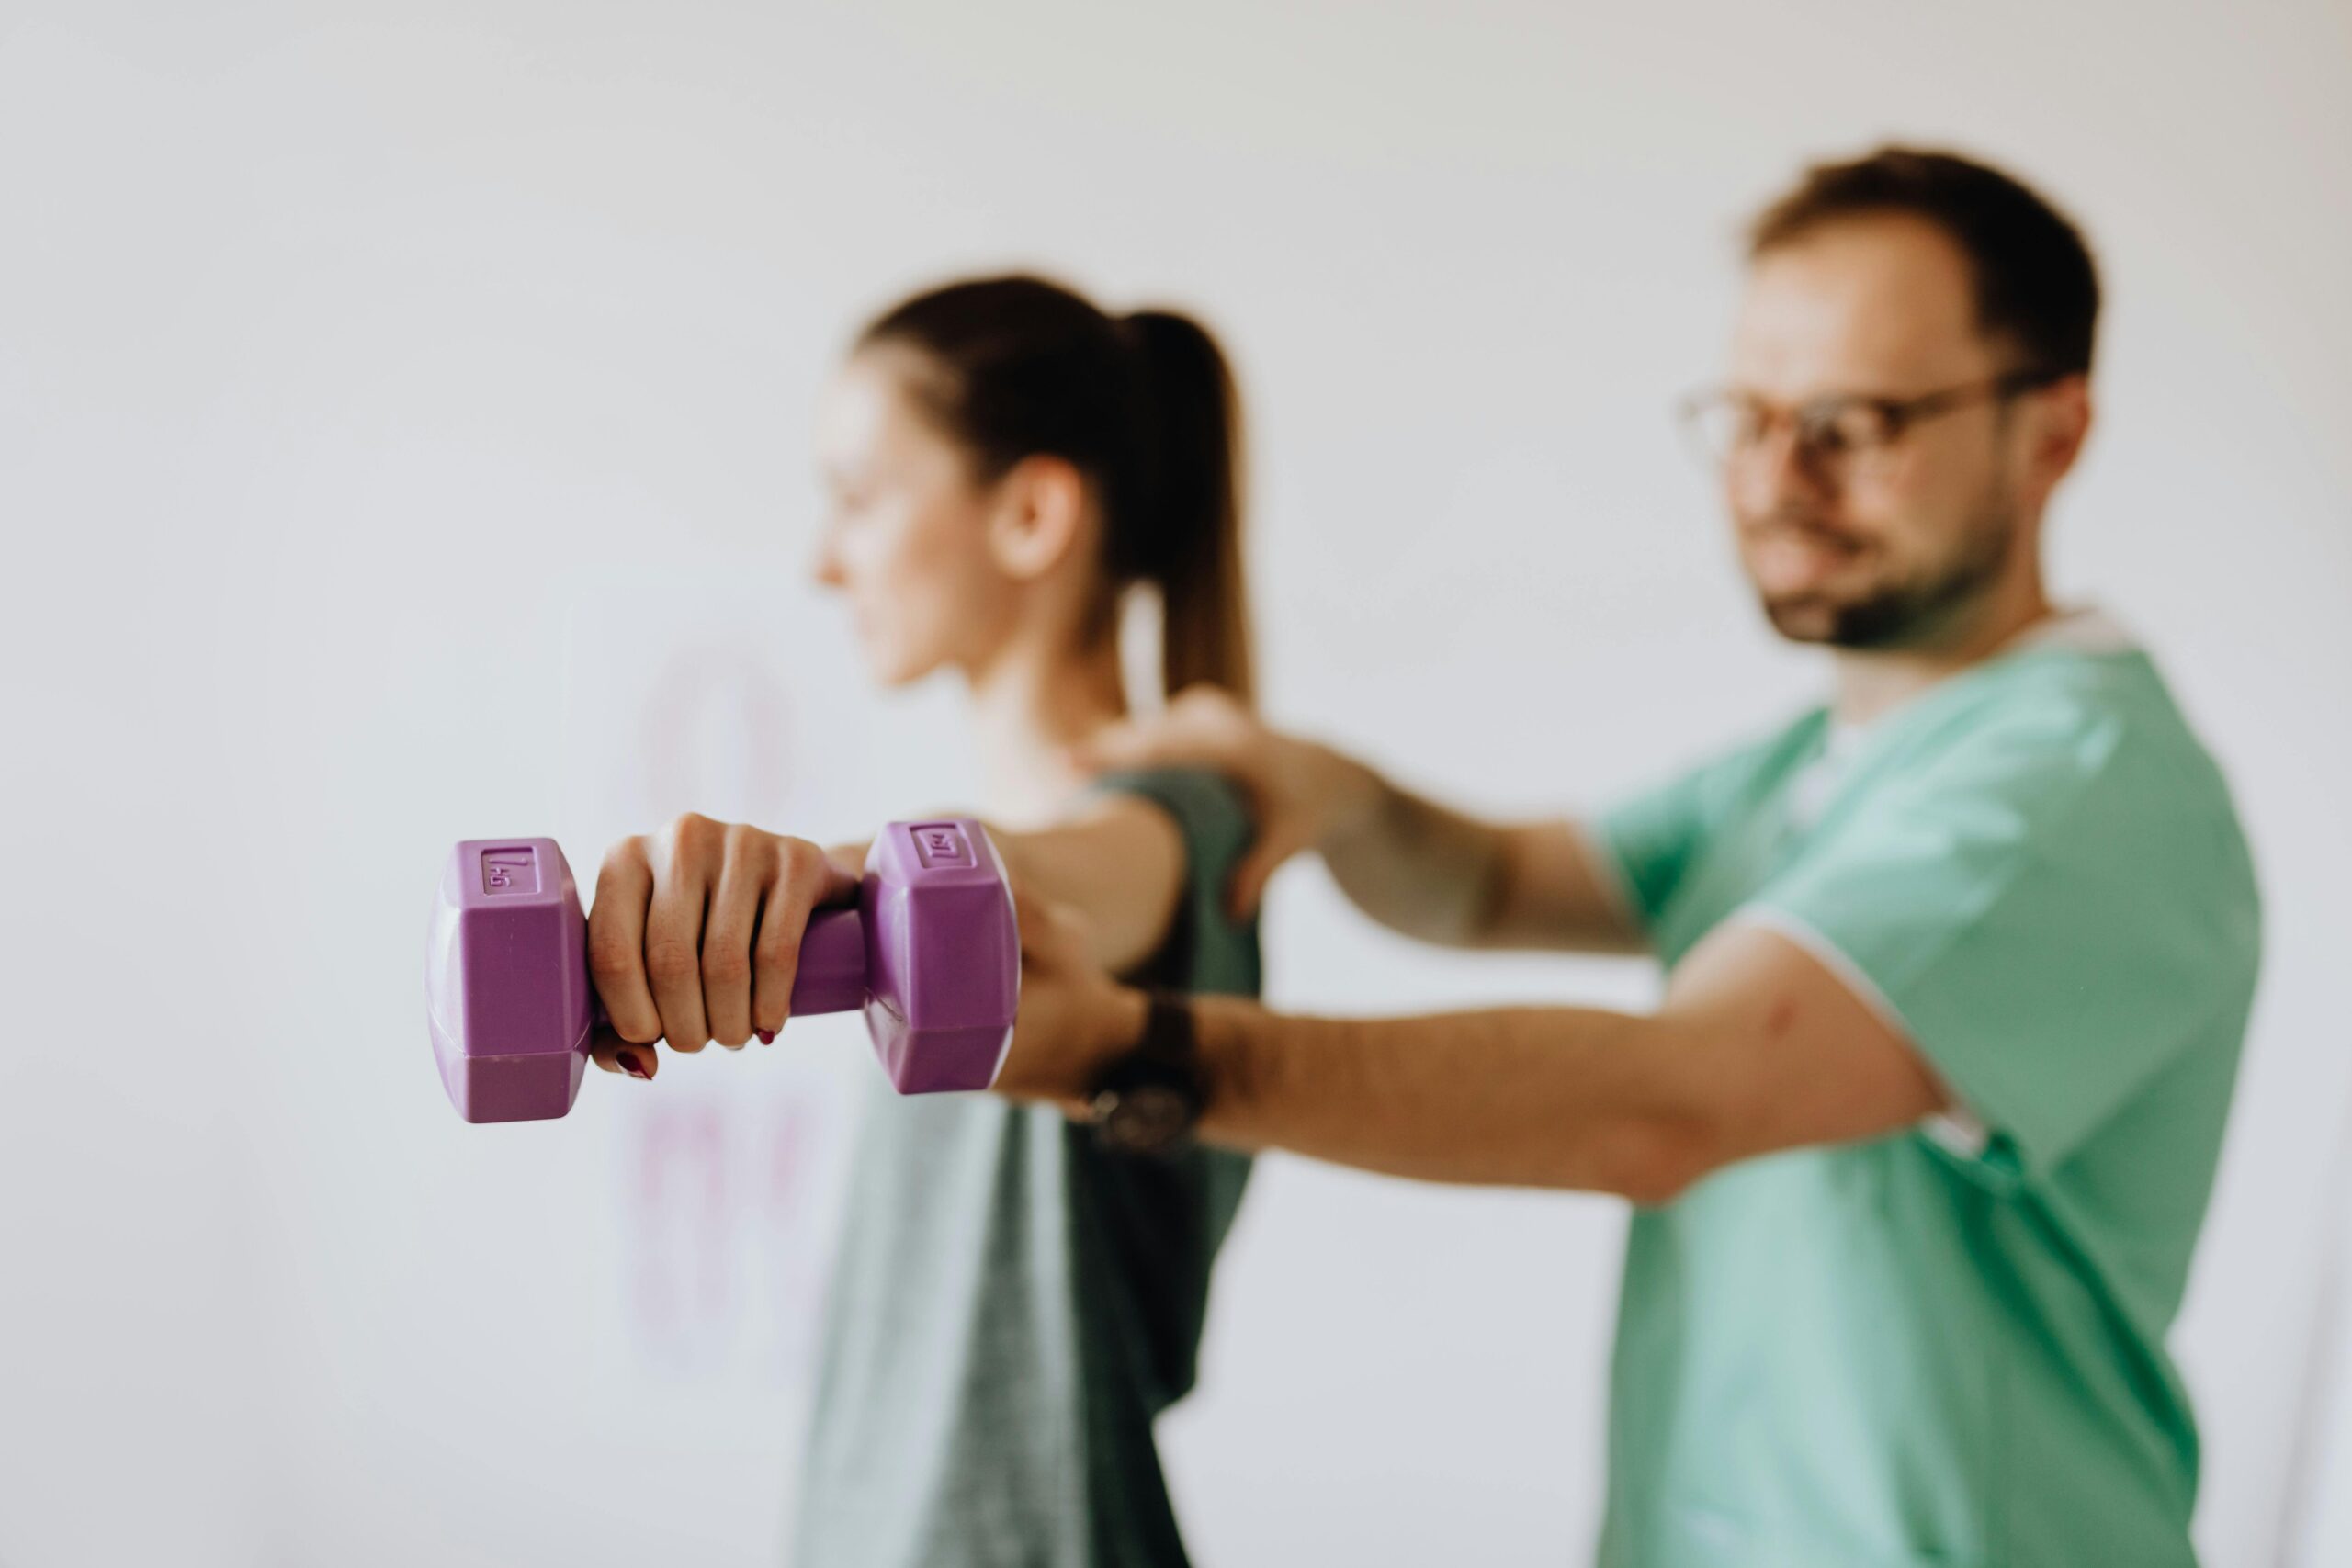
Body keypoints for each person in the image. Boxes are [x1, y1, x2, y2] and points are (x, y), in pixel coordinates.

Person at [995, 149, 2264, 1567]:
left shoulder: (2070, 785)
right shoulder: (1812, 766)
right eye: (1752, 416)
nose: (1781, 477)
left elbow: (1671, 1102)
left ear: (2053, 432)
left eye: (1854, 421)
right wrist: (1327, 792)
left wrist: (1139, 1054)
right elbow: (1488, 884)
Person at [581, 276, 1261, 1568]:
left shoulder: (1176, 820)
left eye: (859, 494)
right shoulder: (1039, 840)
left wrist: (834, 882)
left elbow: (1057, 881)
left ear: (1029, 514)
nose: (823, 561)